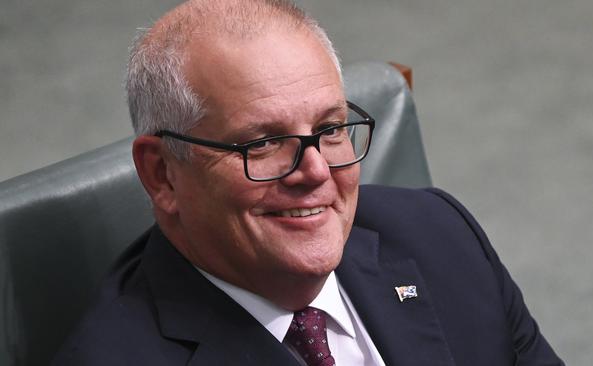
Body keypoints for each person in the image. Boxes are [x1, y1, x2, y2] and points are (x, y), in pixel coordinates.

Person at [52, 0, 564, 365]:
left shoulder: (443, 239)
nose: (316, 171)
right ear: (163, 174)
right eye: (263, 143)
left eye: (331, 129)